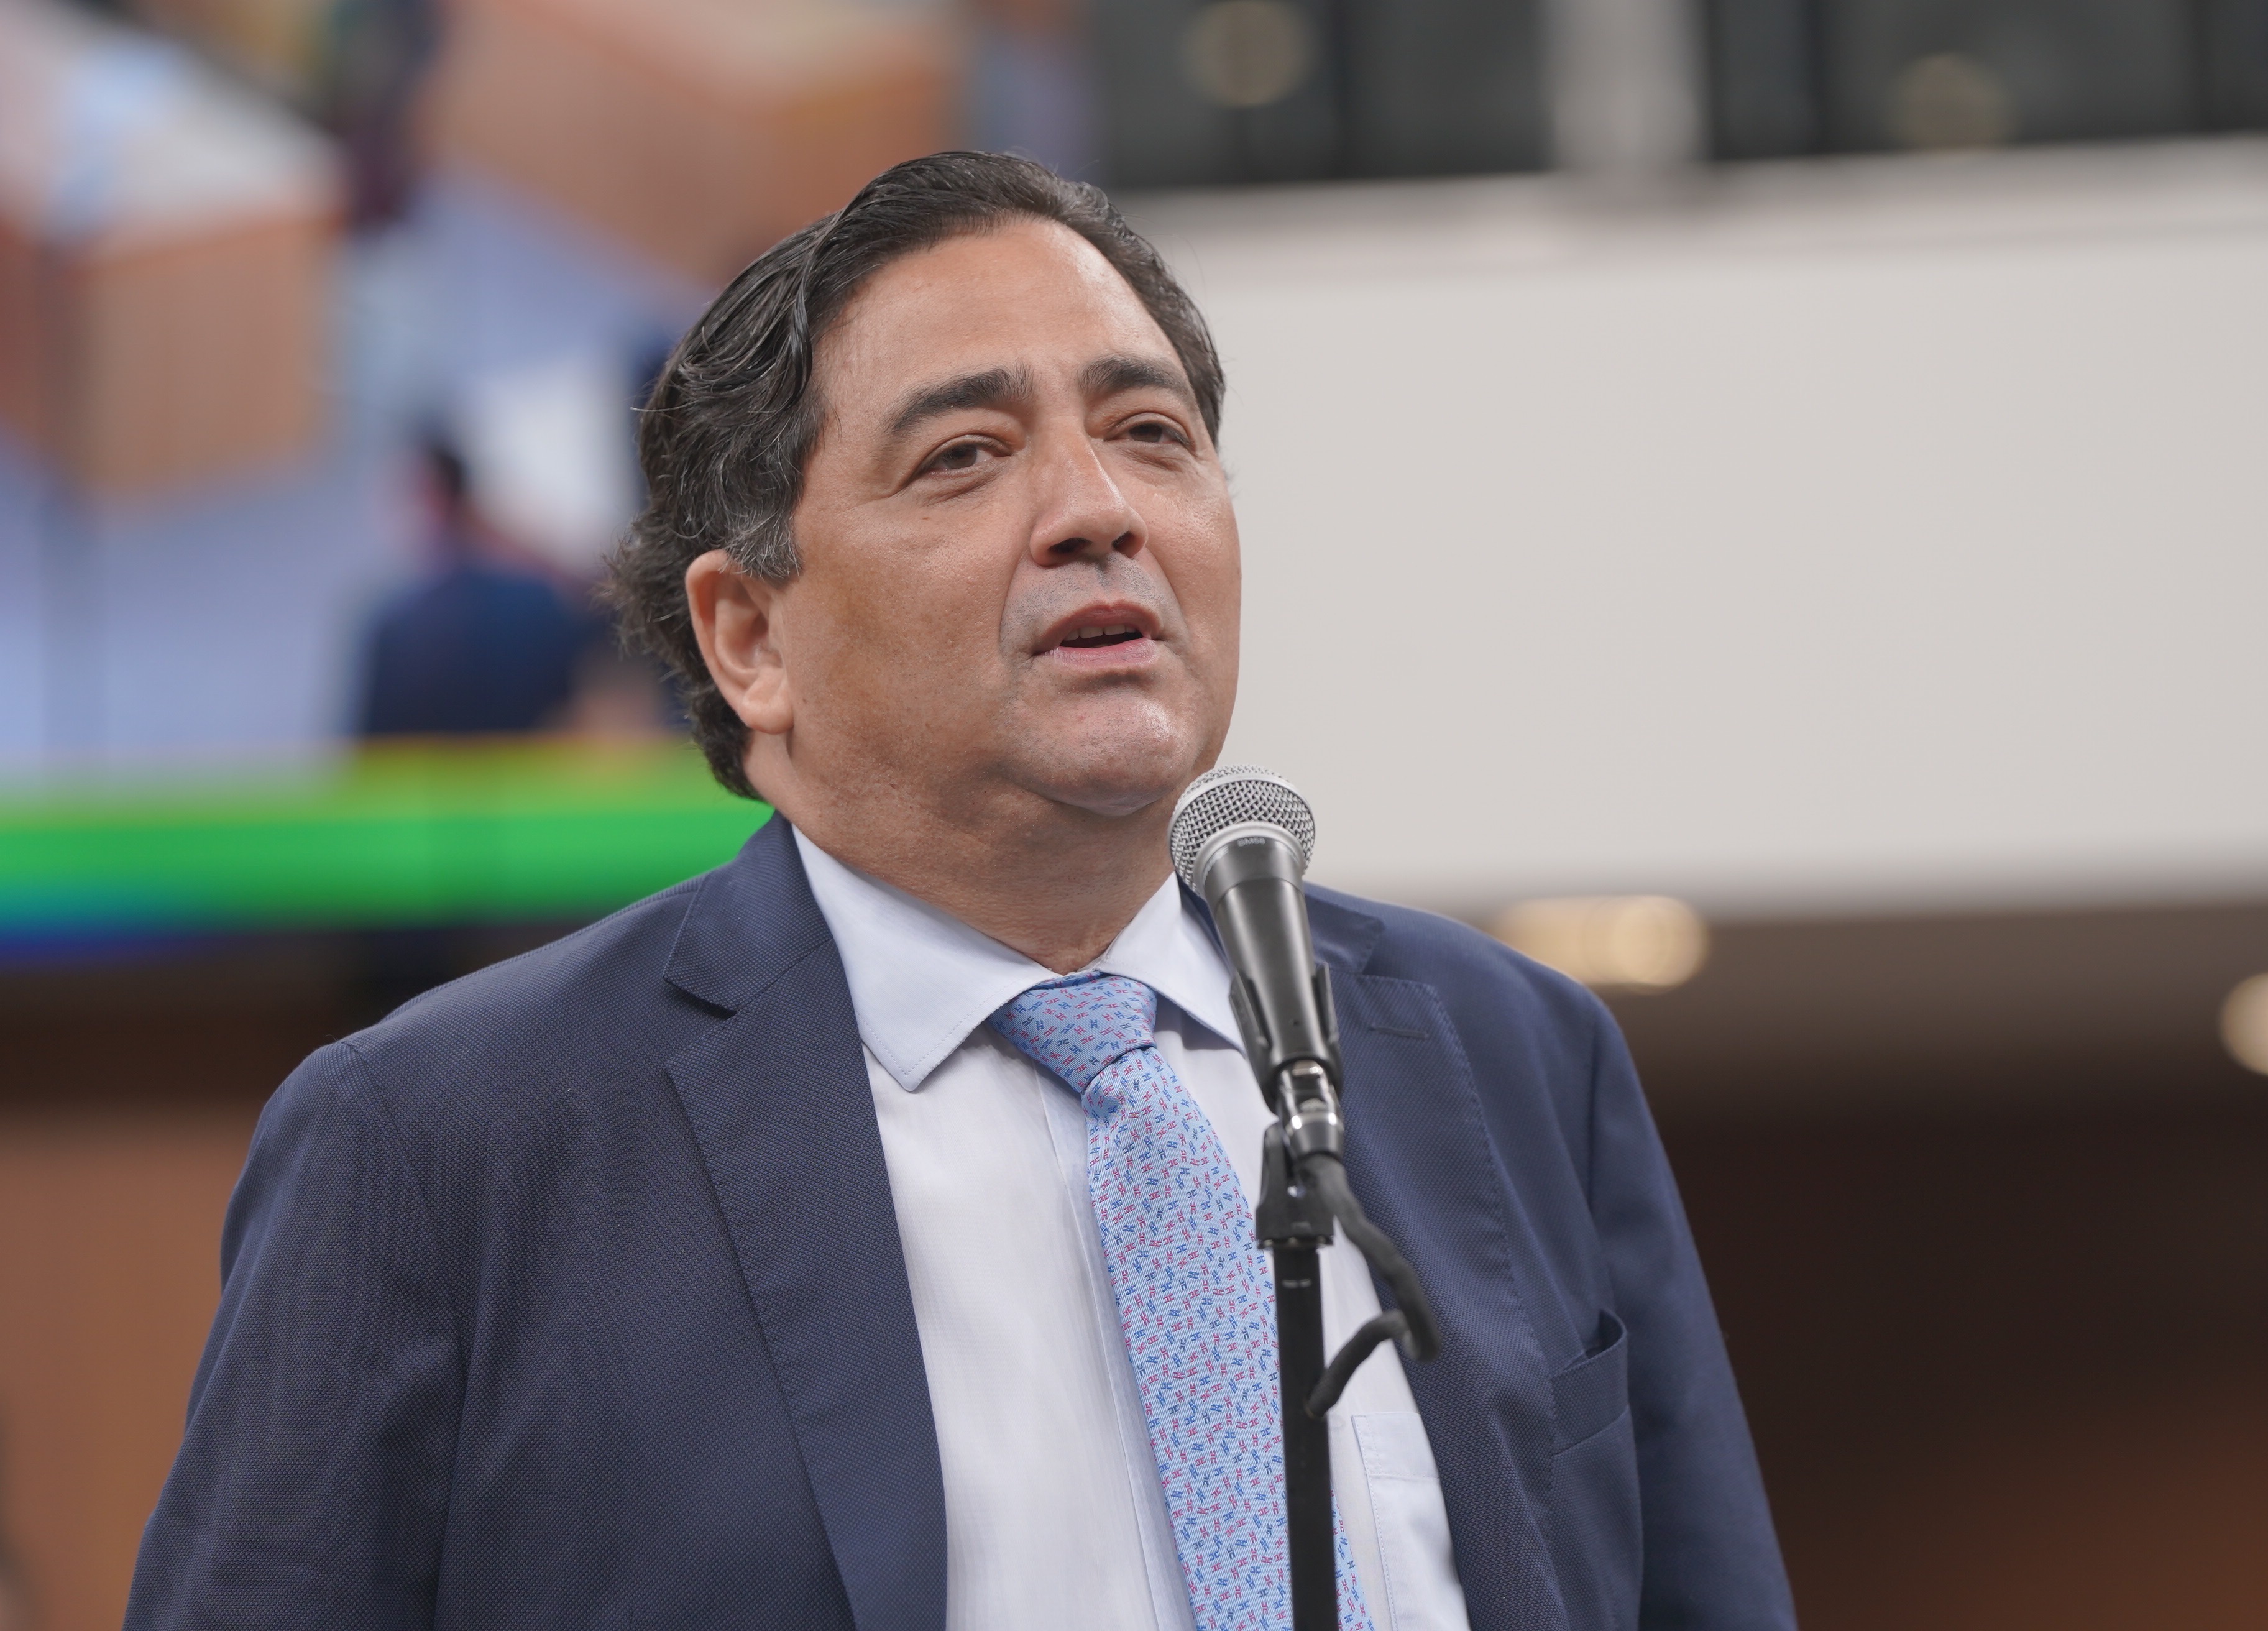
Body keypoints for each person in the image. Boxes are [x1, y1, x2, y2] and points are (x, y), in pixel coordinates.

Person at [127, 154, 1794, 1630]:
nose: (1098, 513)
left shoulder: (1510, 1057)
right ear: (750, 637)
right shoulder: (448, 1147)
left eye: (1151, 434)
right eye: (965, 455)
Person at [356, 433, 599, 738]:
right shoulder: (540, 603)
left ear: (430, 499)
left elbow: (370, 748)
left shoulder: (397, 626)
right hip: (533, 765)